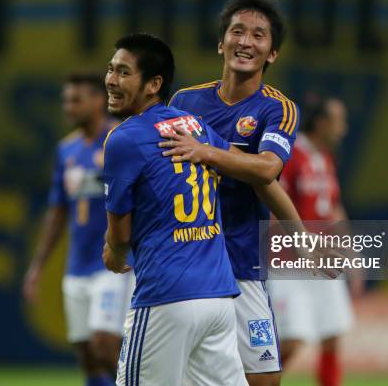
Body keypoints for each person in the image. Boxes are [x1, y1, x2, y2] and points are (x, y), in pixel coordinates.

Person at [164, 0, 298, 386]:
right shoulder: (184, 102)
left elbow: (266, 170)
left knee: (265, 381)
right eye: (237, 32)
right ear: (221, 42)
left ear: (272, 53)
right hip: (188, 262)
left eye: (259, 35)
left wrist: (205, 150)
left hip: (242, 264)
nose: (245, 41)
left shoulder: (277, 108)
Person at [101, 33, 247, 386]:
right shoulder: (194, 127)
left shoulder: (124, 138)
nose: (110, 80)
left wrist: (115, 255)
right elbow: (239, 161)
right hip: (219, 297)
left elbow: (120, 235)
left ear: (154, 84)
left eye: (123, 72)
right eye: (110, 69)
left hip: (167, 297)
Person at [23, 73, 134, 386]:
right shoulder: (66, 150)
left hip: (112, 264)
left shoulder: (120, 139)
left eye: (76, 99)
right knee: (87, 354)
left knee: (104, 345)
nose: (68, 107)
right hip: (77, 265)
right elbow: (57, 212)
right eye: (66, 100)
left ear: (99, 99)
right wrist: (37, 266)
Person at [269, 94, 363, 386]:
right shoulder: (291, 156)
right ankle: (255, 381)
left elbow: (333, 207)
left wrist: (351, 254)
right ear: (321, 123)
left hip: (322, 263)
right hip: (289, 266)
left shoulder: (324, 158)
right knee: (292, 341)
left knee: (333, 334)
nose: (343, 129)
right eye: (338, 121)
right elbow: (274, 207)